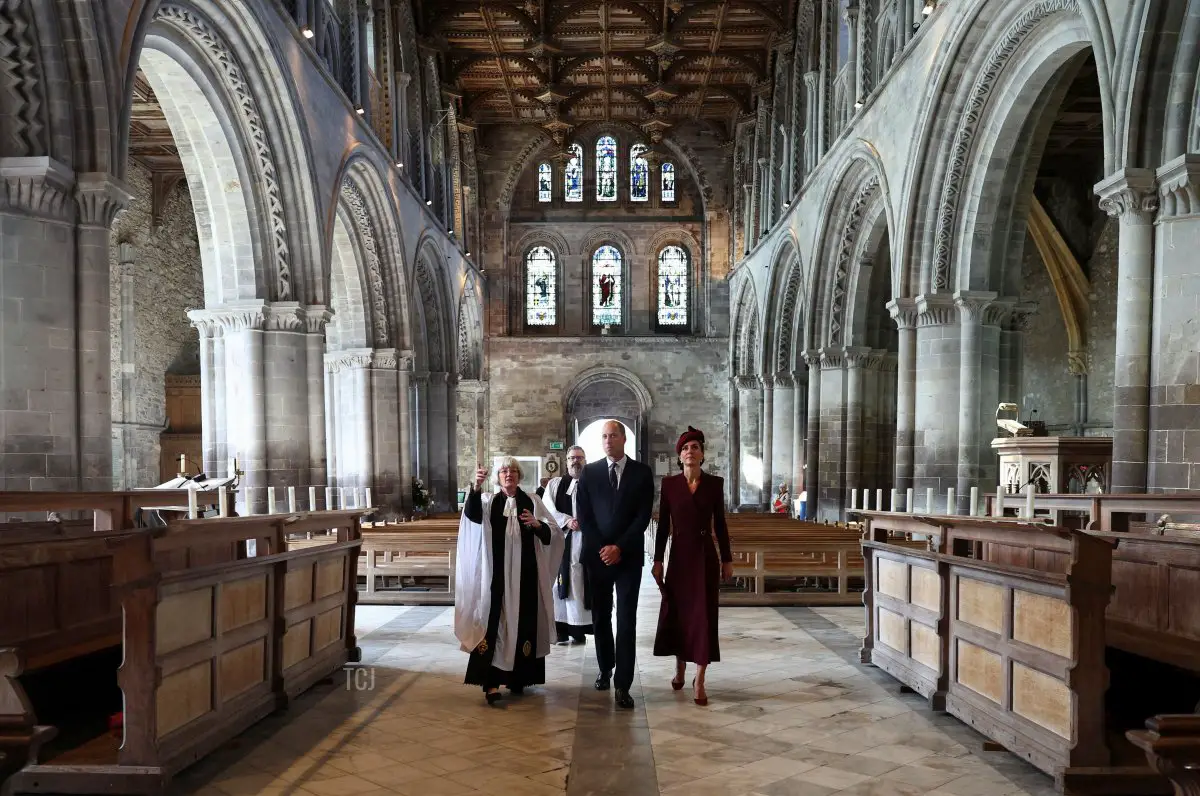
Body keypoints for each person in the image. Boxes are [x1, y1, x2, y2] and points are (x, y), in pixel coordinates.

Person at [455, 458, 564, 705]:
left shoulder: (533, 501)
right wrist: (475, 488)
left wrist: (538, 525)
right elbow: (470, 518)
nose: (508, 474)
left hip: (525, 577)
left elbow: (554, 533)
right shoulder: (488, 502)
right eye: (504, 471)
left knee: (523, 624)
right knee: (494, 625)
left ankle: (519, 678)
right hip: (496, 577)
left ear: (519, 475)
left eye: (513, 470)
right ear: (497, 476)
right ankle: (491, 683)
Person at [651, 426, 733, 707]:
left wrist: (727, 559)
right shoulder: (670, 485)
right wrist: (658, 559)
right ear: (679, 455)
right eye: (686, 448)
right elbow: (663, 526)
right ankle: (680, 667)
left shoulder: (714, 484)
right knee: (680, 614)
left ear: (702, 454)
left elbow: (720, 524)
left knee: (704, 616)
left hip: (705, 556)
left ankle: (700, 678)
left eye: (695, 447)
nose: (690, 452)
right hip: (680, 558)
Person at [576, 421, 654, 709]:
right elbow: (583, 515)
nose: (608, 440)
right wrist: (603, 548)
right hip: (597, 557)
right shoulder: (590, 472)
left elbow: (642, 516)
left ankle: (623, 683)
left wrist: (619, 546)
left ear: (624, 438)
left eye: (613, 435)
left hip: (628, 556)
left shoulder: (641, 473)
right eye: (604, 437)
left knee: (626, 619)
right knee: (600, 616)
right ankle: (605, 666)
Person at [542, 446, 593, 645]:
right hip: (562, 540)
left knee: (580, 583)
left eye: (580, 458)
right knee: (559, 584)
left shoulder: (593, 483)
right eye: (572, 458)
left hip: (586, 541)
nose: (575, 461)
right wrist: (567, 521)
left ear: (585, 460)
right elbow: (546, 509)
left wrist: (585, 522)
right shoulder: (555, 484)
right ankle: (561, 629)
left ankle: (579, 629)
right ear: (566, 461)